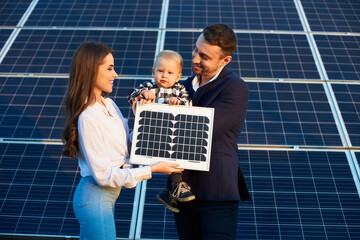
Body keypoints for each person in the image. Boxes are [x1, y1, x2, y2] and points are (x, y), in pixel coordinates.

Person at [62, 42, 182, 240]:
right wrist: (153, 169)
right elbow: (103, 176)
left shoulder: (108, 104)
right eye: (109, 68)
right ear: (91, 70)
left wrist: (141, 118)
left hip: (104, 199)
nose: (115, 74)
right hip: (94, 198)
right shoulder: (88, 116)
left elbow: (127, 145)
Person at [174, 23, 251, 240]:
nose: (195, 58)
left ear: (225, 60)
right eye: (195, 50)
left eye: (204, 56)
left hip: (217, 194)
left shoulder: (235, 88)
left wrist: (164, 120)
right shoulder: (182, 87)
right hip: (183, 193)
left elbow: (202, 130)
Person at [128, 50, 194, 213]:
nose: (164, 75)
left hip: (172, 132)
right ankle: (173, 189)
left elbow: (188, 103)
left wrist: (177, 101)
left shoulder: (179, 90)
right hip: (152, 133)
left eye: (170, 72)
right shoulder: (150, 87)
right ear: (153, 72)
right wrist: (143, 93)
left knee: (177, 158)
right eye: (160, 71)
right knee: (167, 160)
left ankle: (171, 191)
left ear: (178, 76)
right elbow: (131, 95)